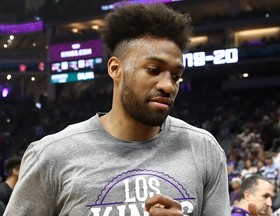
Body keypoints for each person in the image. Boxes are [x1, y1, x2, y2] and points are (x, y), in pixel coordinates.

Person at [4, 3, 230, 216]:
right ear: (115, 68)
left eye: (176, 76)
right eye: (153, 70)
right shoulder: (51, 155)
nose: (168, 85)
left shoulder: (205, 149)